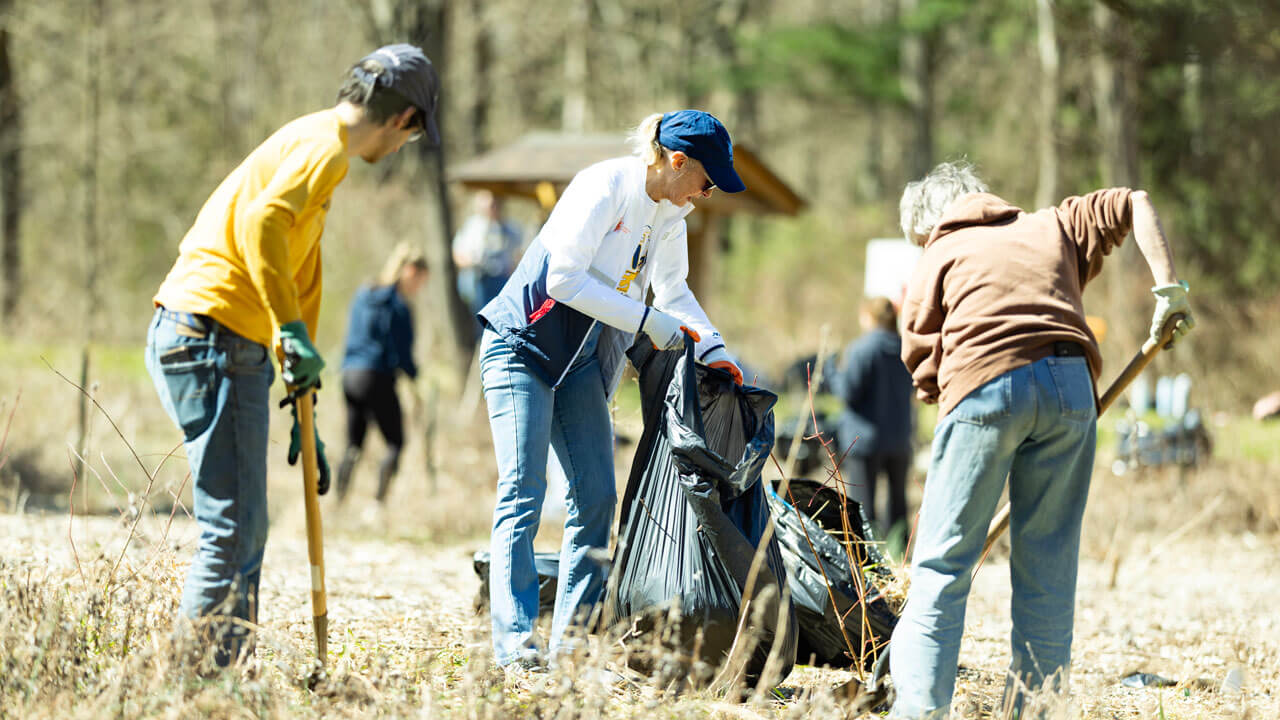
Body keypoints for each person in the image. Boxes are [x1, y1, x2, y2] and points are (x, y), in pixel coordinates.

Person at [144, 44, 440, 666]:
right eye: (413, 134)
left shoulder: (314, 148)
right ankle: (196, 688)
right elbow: (260, 228)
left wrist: (303, 410)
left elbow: (294, 279)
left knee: (246, 527)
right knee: (232, 532)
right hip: (212, 333)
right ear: (403, 119)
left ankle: (222, 676)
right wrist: (293, 335)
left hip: (225, 339)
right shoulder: (327, 147)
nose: (406, 146)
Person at [887, 161, 1195, 718]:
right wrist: (1168, 290)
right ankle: (1034, 713)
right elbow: (1135, 201)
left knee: (941, 570)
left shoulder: (941, 250)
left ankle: (918, 713)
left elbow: (919, 357)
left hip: (983, 385)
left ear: (930, 226)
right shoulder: (1054, 223)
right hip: (1071, 388)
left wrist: (947, 398)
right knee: (1048, 573)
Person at [477, 110, 746, 669]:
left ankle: (570, 645)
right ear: (676, 162)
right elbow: (562, 278)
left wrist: (714, 346)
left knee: (596, 497)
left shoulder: (673, 212)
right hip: (520, 346)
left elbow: (673, 289)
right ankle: (515, 646)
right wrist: (648, 320)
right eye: (706, 179)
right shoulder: (605, 185)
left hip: (578, 363)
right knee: (523, 492)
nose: (708, 192)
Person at [335, 243, 429, 503]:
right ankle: (377, 505)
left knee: (353, 444)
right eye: (420, 281)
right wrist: (414, 378)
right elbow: (403, 353)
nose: (419, 289)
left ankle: (338, 503)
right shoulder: (398, 306)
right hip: (376, 376)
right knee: (395, 443)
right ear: (410, 271)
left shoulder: (364, 293)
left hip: (350, 375)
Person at [829, 296, 914, 539]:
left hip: (864, 441)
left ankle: (869, 563)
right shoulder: (905, 348)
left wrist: (831, 373)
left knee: (863, 508)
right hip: (899, 438)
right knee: (899, 504)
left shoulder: (862, 349)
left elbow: (848, 393)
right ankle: (898, 558)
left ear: (870, 317)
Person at [452, 190, 524, 320]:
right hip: (479, 280)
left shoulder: (511, 227)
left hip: (503, 280)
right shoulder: (472, 227)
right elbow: (458, 254)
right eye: (490, 205)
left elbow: (519, 253)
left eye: (496, 204)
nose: (493, 208)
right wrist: (472, 262)